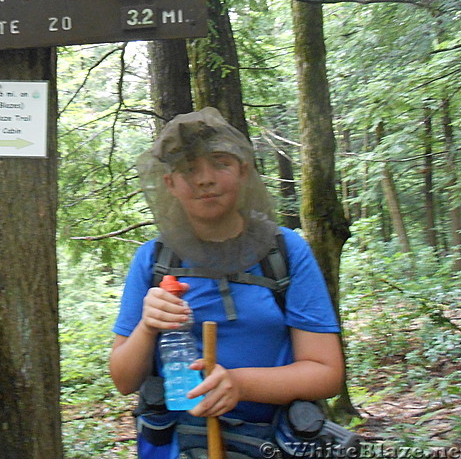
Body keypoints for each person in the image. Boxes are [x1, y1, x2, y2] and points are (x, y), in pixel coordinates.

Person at [110, 108, 344, 458]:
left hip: (274, 440)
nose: (205, 179)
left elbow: (325, 374)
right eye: (189, 168)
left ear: (242, 171)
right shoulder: (154, 260)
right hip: (177, 444)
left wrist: (238, 384)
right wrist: (147, 325)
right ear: (170, 183)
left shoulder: (283, 251)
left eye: (220, 162)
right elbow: (124, 380)